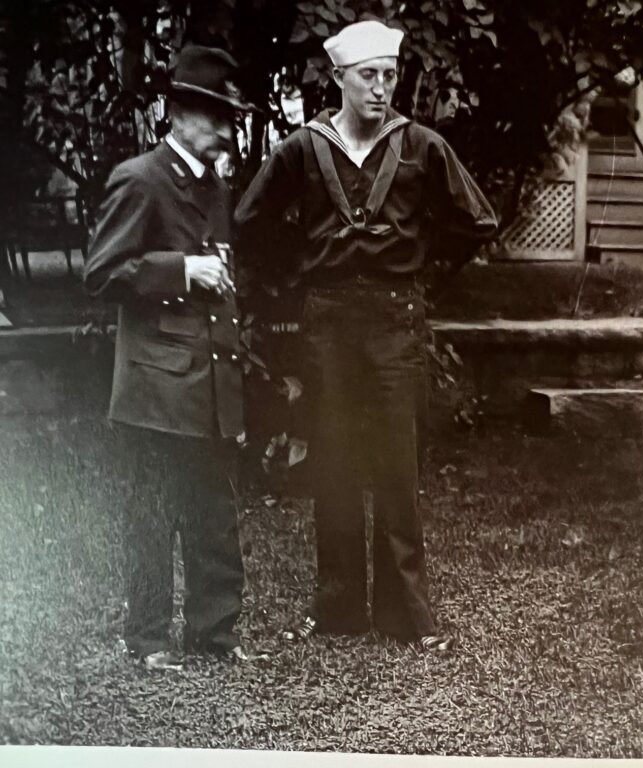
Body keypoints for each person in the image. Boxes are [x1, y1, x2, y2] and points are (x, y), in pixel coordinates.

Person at [235, 19, 497, 652]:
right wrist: (294, 273)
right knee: (333, 461)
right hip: (325, 324)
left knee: (395, 464)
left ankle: (405, 615)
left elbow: (478, 220)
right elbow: (249, 220)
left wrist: (423, 270)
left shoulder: (421, 145)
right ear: (339, 79)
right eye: (368, 77)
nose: (381, 89)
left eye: (389, 75)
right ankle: (340, 610)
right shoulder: (303, 147)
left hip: (394, 323)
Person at [85, 45, 261, 670]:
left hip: (209, 378)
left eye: (230, 117)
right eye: (217, 116)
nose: (227, 129)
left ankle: (215, 636)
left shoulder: (214, 186)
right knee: (154, 516)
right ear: (180, 112)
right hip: (157, 387)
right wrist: (182, 269)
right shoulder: (140, 179)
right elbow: (102, 273)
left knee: (214, 512)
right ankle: (149, 640)